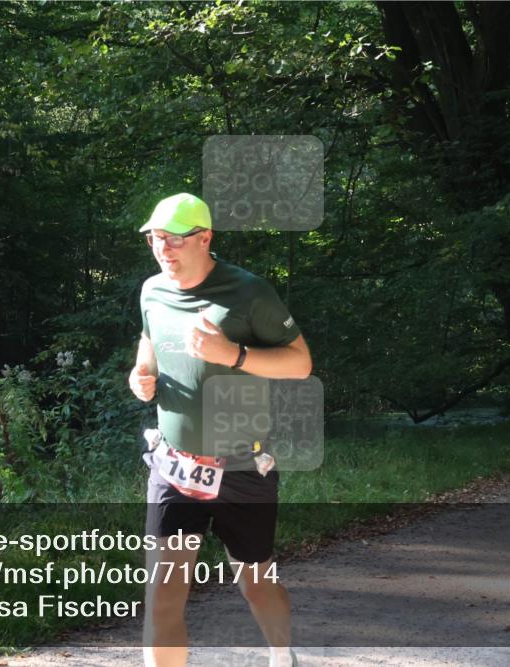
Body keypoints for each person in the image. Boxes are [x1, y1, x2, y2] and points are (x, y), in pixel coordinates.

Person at [129, 193, 311, 667]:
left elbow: (300, 363)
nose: (162, 249)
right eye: (154, 239)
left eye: (173, 239)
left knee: (255, 582)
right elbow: (149, 336)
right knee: (162, 592)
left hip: (243, 467)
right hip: (174, 466)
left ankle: (282, 655)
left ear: (205, 238)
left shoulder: (250, 293)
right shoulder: (152, 290)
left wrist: (233, 355)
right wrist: (140, 373)